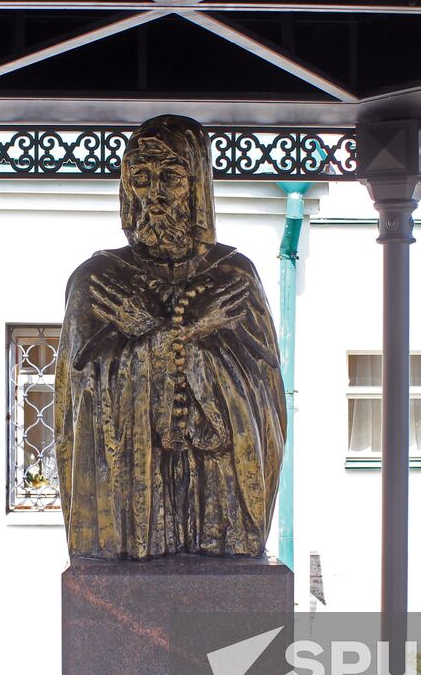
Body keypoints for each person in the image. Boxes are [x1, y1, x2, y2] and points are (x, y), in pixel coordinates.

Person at [56, 114, 285, 559]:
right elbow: (77, 403)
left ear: (197, 183)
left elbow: (263, 401)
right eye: (140, 178)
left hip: (215, 485)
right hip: (132, 492)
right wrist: (174, 338)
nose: (154, 195)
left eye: (171, 177)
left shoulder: (233, 276)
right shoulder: (97, 281)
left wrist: (174, 338)